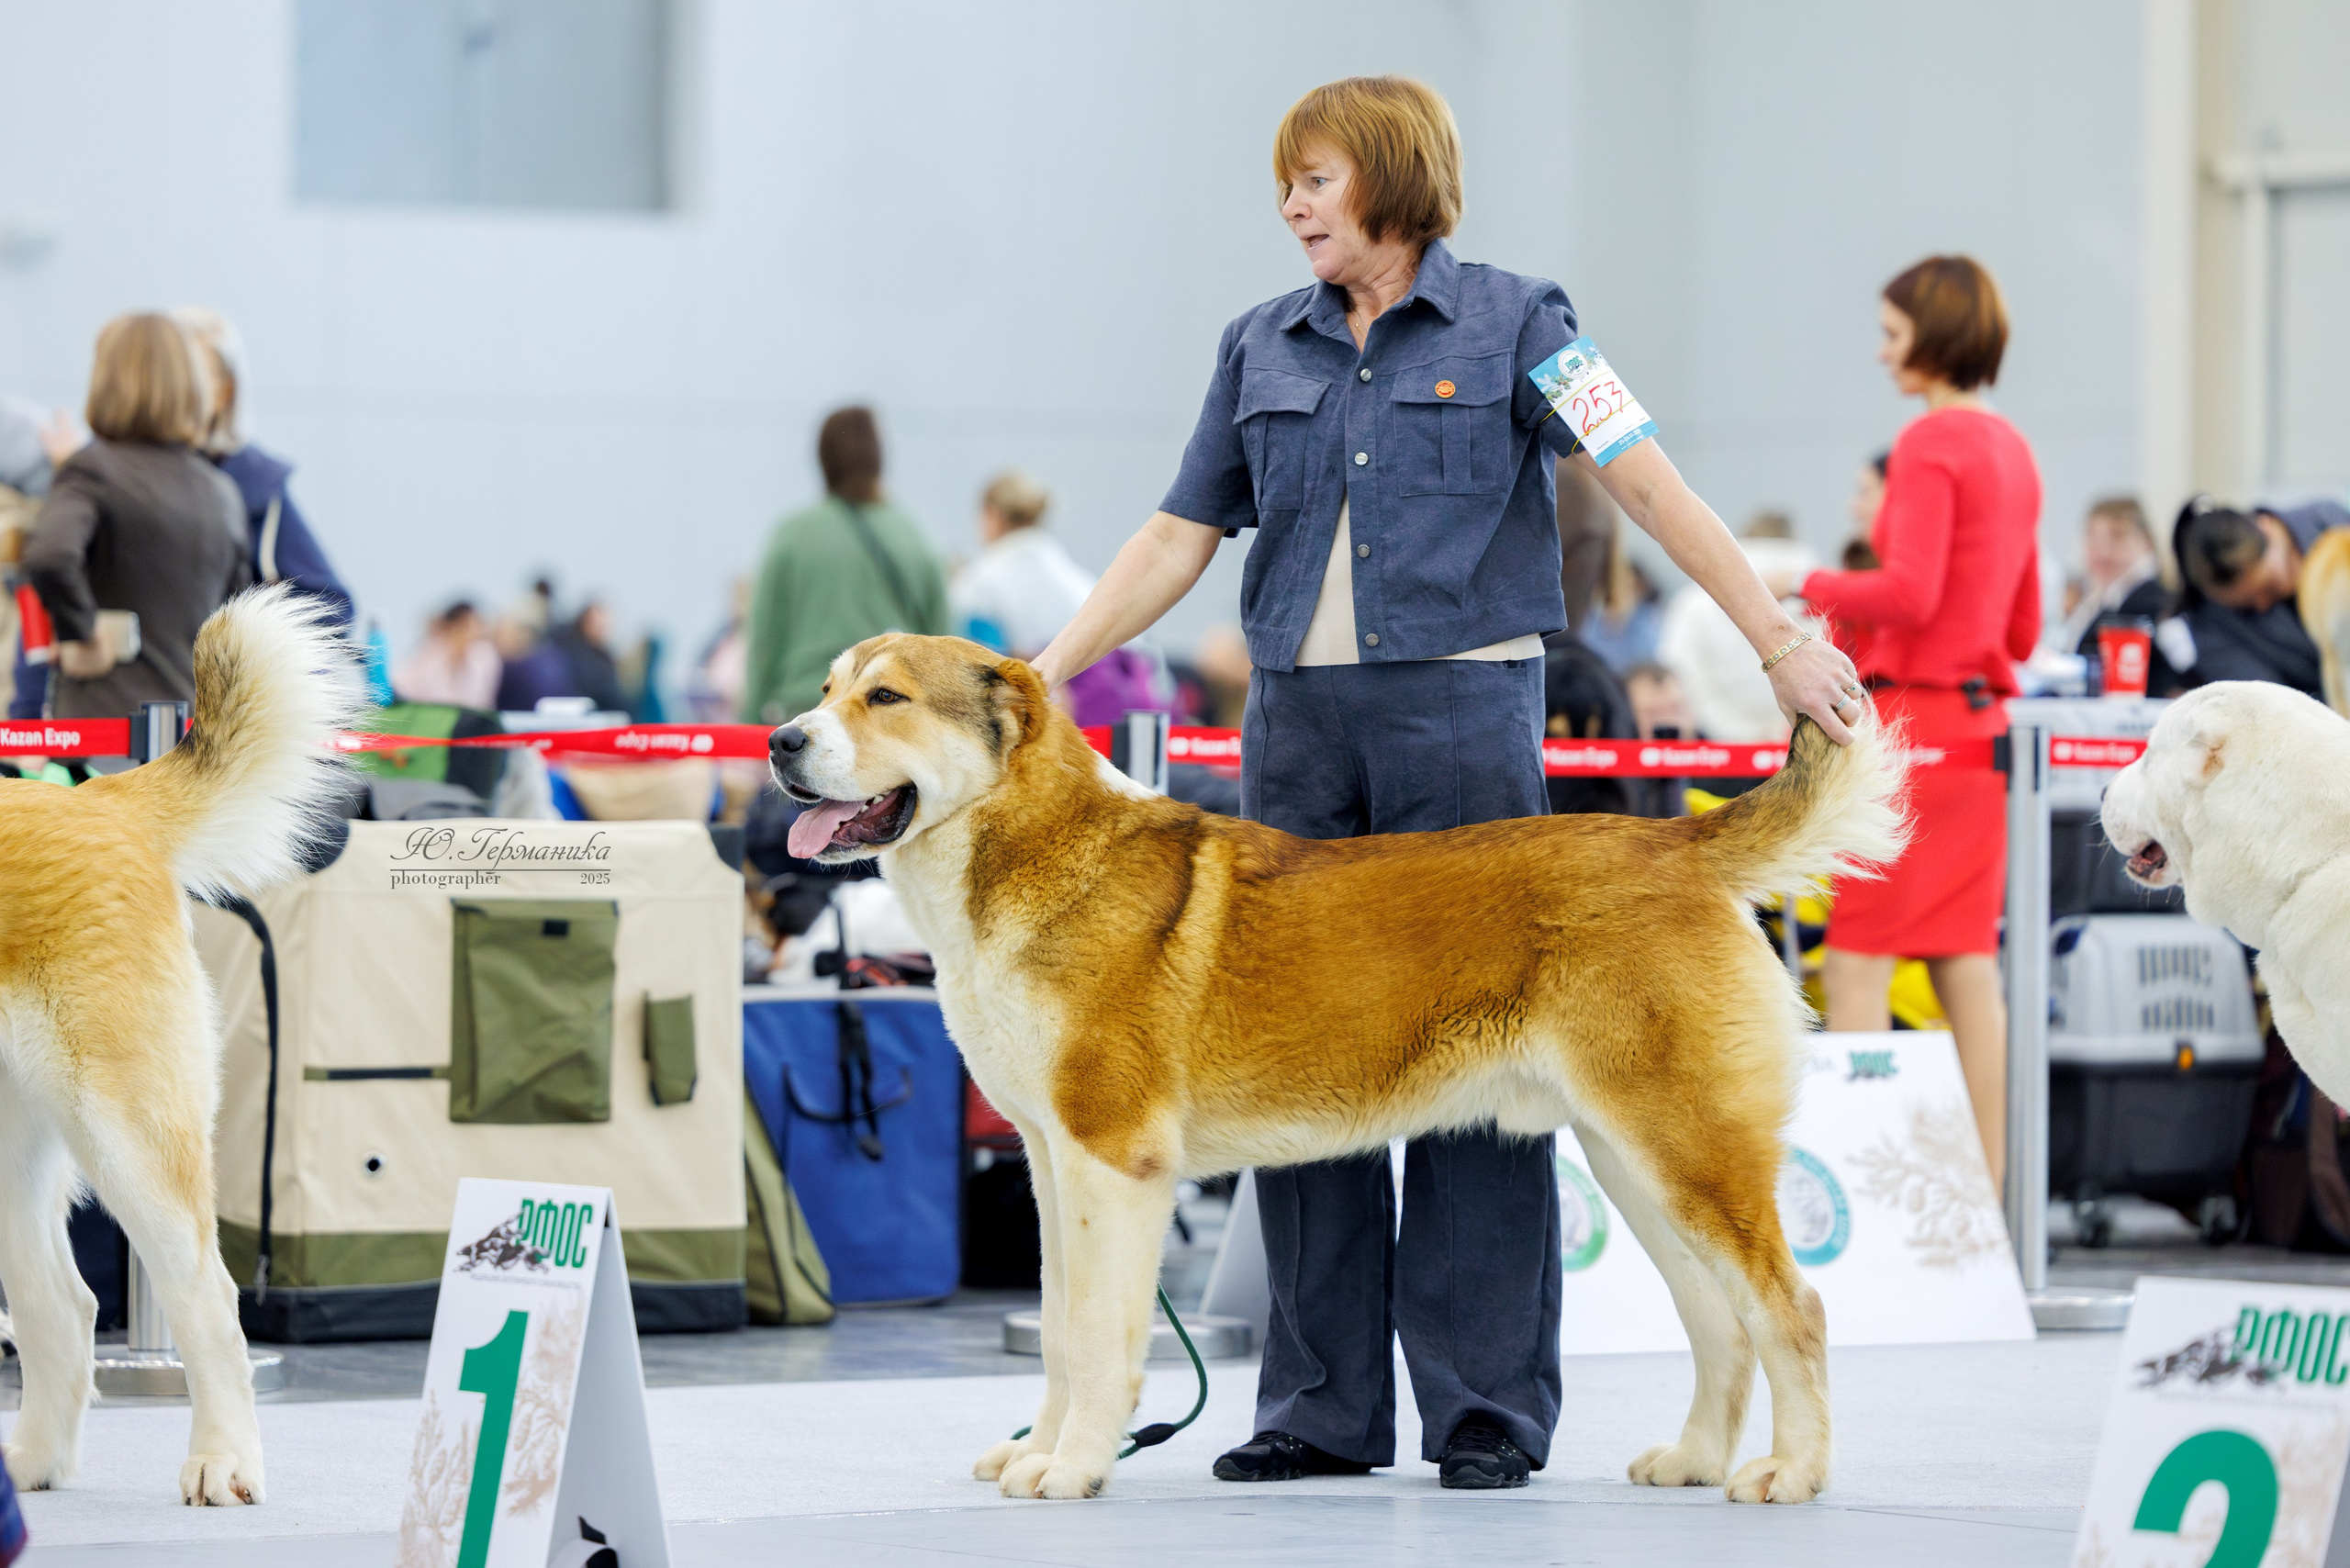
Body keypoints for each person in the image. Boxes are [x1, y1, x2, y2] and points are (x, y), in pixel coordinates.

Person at [1027, 75, 1864, 1492]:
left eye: (1318, 176)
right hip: (1296, 729)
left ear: (1395, 178)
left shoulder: (1524, 318)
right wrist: (1043, 671)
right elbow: (1180, 534)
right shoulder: (1257, 344)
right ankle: (1314, 1407)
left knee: (1498, 1081)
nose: (1292, 203)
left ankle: (1485, 1411)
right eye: (1284, 181)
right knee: (1289, 1070)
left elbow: (1645, 480)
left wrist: (1776, 638)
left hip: (1466, 722)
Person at [1785, 255, 2041, 1194]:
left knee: (1854, 964)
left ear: (1933, 337)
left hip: (1915, 729)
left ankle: (1862, 1201)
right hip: (1982, 737)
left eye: (1893, 333)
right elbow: (2018, 625)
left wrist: (1798, 584)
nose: (1883, 352)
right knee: (1967, 969)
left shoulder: (1930, 445)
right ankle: (1997, 1207)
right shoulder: (2012, 449)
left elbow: (1909, 589)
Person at [22, 313, 250, 719]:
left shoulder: (92, 469)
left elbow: (50, 556)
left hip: (103, 735)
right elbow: (237, 621)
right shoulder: (222, 492)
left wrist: (85, 632)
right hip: (191, 737)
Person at [742, 407, 947, 724]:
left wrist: (750, 720)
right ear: (879, 458)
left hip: (805, 710)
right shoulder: (915, 535)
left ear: (824, 461)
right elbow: (944, 642)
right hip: (887, 721)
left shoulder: (793, 535)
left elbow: (765, 645)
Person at [171, 308, 354, 632]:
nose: (179, 387)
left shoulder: (251, 481)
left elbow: (330, 609)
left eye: (197, 373)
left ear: (225, 391)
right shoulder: (112, 469)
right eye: (170, 371)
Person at [951, 470, 1169, 727]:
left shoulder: (978, 583)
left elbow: (979, 668)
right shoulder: (1078, 577)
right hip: (1126, 714)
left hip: (1059, 715)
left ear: (991, 516)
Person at [1657, 510, 1814, 743]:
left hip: (1718, 750)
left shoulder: (1695, 600)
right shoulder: (1820, 594)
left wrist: (1733, 731)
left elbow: (1681, 672)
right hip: (1802, 742)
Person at [2166, 497, 2350, 696]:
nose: (2262, 606)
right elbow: (2269, 705)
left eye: (2268, 588)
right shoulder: (2211, 622)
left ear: (2267, 527)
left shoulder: (2330, 525)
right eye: (2246, 608)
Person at [2048, 495, 2180, 693]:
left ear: (2146, 542)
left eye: (2116, 537)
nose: (2102, 550)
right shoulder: (2099, 598)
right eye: (2092, 537)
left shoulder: (2151, 601)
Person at [392, 599, 499, 709]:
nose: (469, 634)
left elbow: (484, 701)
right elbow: (400, 684)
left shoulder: (484, 656)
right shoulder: (430, 653)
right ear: (450, 627)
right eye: (463, 627)